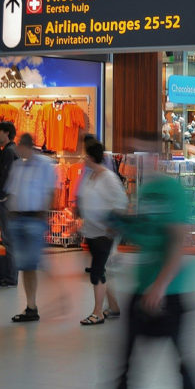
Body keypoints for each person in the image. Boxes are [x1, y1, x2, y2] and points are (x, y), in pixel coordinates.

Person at [114, 132, 195, 389]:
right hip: (143, 286)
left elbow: (178, 242)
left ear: (158, 157)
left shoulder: (172, 190)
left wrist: (160, 286)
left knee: (182, 362)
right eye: (136, 155)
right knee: (126, 362)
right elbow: (147, 235)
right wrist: (120, 224)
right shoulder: (145, 190)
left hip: (170, 290)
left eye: (145, 155)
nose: (140, 161)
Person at [5, 133, 56, 323]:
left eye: (20, 146)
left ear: (26, 146)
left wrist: (44, 214)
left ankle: (59, 295)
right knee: (26, 266)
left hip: (35, 219)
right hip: (19, 219)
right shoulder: (18, 166)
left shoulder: (44, 164)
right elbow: (12, 190)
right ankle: (31, 306)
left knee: (35, 263)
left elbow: (51, 191)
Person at [76, 139, 127, 326]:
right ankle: (113, 307)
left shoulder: (108, 178)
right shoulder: (91, 176)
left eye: (85, 155)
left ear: (90, 157)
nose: (83, 159)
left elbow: (121, 202)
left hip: (104, 233)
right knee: (101, 271)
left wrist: (112, 226)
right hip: (91, 231)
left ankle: (97, 312)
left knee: (97, 273)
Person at [0, 121, 19, 288]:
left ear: (6, 133)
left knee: (8, 239)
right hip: (11, 199)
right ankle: (10, 276)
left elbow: (4, 175)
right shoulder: (10, 150)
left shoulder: (10, 152)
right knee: (9, 239)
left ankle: (10, 278)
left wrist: (2, 196)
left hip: (7, 200)